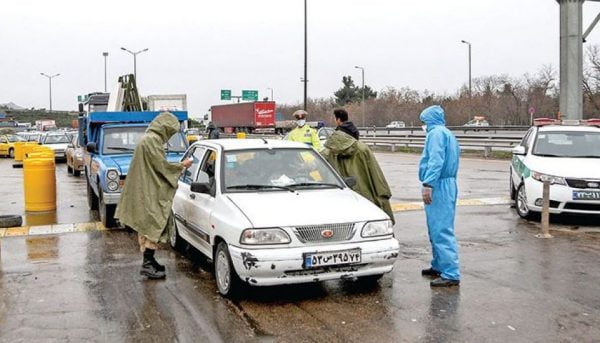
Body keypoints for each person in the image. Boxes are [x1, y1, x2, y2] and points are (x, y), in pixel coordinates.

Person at [115, 112, 193, 279]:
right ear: (165, 128)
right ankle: (148, 263)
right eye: (170, 132)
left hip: (145, 187)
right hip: (148, 189)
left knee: (147, 223)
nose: (169, 137)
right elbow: (162, 167)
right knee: (153, 222)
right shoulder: (152, 141)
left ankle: (149, 261)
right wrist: (182, 166)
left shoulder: (148, 138)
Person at [322, 110, 395, 224]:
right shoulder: (362, 148)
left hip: (338, 198)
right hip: (364, 196)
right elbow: (377, 177)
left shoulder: (328, 152)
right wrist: (382, 198)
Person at [418, 105, 461, 287]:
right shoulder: (447, 133)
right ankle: (439, 265)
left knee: (441, 229)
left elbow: (436, 160)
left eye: (423, 122)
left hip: (439, 185)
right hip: (446, 183)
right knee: (436, 227)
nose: (423, 126)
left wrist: (428, 184)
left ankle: (451, 273)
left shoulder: (435, 134)